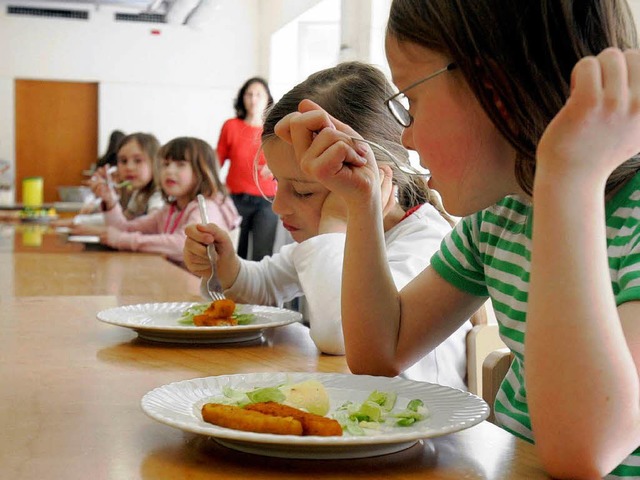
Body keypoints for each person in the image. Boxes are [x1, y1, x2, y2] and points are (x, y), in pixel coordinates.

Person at [275, 1, 640, 478]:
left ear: (496, 91)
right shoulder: (502, 215)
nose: (405, 136)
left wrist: (567, 182)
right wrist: (362, 200)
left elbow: (583, 450)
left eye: (411, 101)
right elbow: (380, 353)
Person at [184, 62, 473, 390]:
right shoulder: (335, 240)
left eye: (303, 190)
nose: (278, 205)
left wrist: (336, 223)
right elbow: (265, 285)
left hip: (426, 430)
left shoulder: (423, 244)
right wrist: (227, 267)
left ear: (373, 177)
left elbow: (344, 337)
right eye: (278, 183)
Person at [72, 137, 240, 264]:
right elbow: (125, 228)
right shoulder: (171, 209)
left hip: (201, 296)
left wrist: (123, 240)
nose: (169, 171)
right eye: (165, 164)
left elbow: (182, 244)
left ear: (202, 171)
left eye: (180, 164)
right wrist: (109, 201)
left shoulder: (206, 207)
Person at [217, 77, 278, 261]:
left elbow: (289, 161)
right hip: (236, 201)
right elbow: (216, 161)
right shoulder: (231, 126)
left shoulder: (274, 130)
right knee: (234, 255)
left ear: (268, 98)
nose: (253, 99)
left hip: (267, 202)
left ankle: (259, 291)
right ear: (242, 98)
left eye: (259, 94)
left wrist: (275, 168)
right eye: (249, 94)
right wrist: (216, 187)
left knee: (262, 255)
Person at [55, 132, 164, 227]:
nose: (129, 167)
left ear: (155, 163)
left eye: (138, 161)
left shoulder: (159, 196)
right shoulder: (139, 194)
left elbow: (152, 227)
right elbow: (121, 222)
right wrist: (76, 222)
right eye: (123, 161)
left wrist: (78, 223)